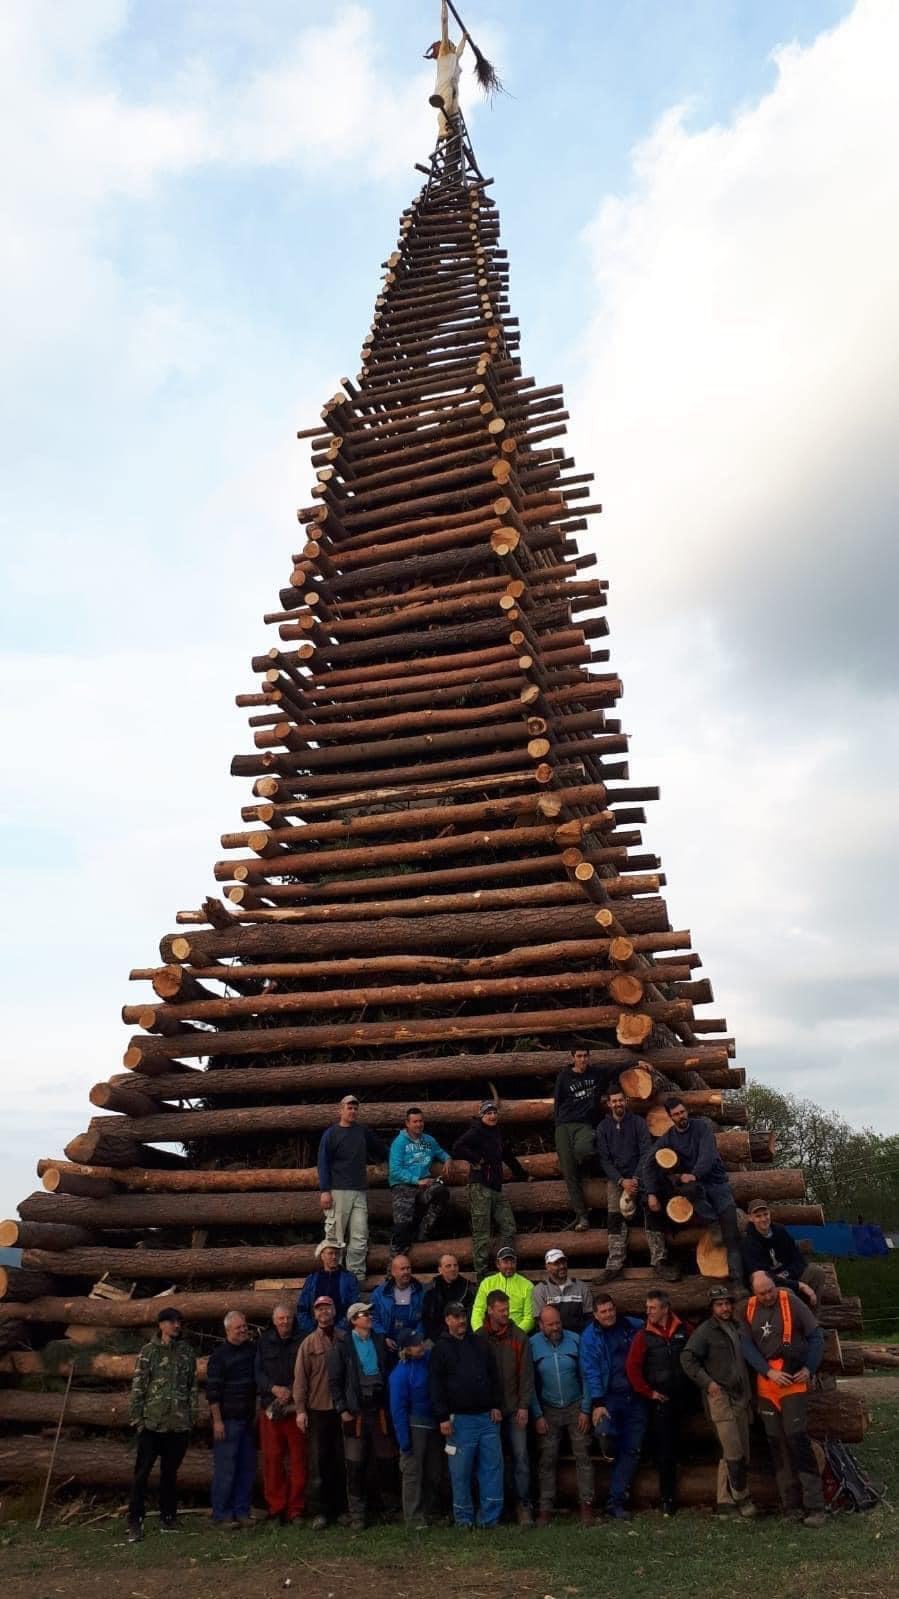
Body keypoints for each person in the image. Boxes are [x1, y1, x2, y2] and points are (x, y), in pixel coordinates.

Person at [740, 1271, 826, 1526]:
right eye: (762, 1292)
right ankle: (790, 1507)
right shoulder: (748, 1308)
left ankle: (815, 1506)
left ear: (774, 1285)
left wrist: (809, 1368)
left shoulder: (792, 1301)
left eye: (770, 1290)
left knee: (797, 1440)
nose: (767, 1296)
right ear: (754, 1292)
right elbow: (745, 1345)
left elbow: (816, 1337)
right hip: (767, 1384)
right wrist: (768, 1372)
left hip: (793, 1382)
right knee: (776, 1445)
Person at [641, 1096, 743, 1282]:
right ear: (671, 1117)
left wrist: (694, 1174)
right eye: (676, 1115)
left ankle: (739, 1283)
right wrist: (651, 1193)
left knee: (731, 1234)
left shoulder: (701, 1127)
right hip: (695, 1187)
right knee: (687, 1189)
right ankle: (713, 1223)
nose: (681, 1116)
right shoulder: (668, 1138)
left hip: (716, 1183)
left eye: (682, 1112)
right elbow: (648, 1163)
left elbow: (708, 1155)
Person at [681, 1285, 757, 1518]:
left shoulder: (737, 1327)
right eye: (719, 1304)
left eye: (727, 1303)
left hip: (741, 1396)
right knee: (733, 1450)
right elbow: (687, 1358)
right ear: (712, 1308)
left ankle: (724, 1502)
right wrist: (708, 1383)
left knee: (738, 1449)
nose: (725, 1308)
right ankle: (743, 1498)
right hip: (720, 1398)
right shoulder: (706, 1331)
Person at [429, 1300, 504, 1529]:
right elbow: (436, 1386)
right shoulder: (440, 1349)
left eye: (463, 1316)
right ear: (447, 1320)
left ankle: (490, 1519)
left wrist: (496, 1405)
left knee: (492, 1469)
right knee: (460, 1473)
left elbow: (494, 1376)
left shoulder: (480, 1344)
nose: (461, 1321)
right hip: (458, 1421)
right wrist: (442, 1417)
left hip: (487, 1418)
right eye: (456, 1316)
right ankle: (463, 1520)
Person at [126, 1306, 197, 1542]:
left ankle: (168, 1516)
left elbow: (192, 1387)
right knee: (141, 1474)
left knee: (170, 1474)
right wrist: (138, 1420)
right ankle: (135, 1520)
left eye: (179, 1322)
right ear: (161, 1325)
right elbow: (138, 1387)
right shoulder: (149, 1352)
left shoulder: (187, 1353)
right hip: (152, 1423)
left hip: (177, 1425)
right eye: (172, 1322)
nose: (177, 1325)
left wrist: (191, 1417)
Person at [327, 1301, 396, 1530]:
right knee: (355, 1464)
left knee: (386, 1461)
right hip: (356, 1411)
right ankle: (358, 1513)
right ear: (354, 1320)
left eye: (369, 1314)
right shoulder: (343, 1345)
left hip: (379, 1409)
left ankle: (390, 1509)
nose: (369, 1317)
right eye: (364, 1314)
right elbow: (335, 1381)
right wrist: (342, 1408)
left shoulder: (379, 1341)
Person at [625, 1290, 693, 1516]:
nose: (648, 1312)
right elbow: (632, 1368)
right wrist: (649, 1393)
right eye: (647, 1308)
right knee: (664, 1450)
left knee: (684, 1445)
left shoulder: (684, 1329)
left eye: (652, 1308)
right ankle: (667, 1499)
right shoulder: (643, 1336)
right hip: (660, 1401)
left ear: (665, 1308)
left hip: (683, 1397)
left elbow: (696, 1355)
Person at [579, 1293, 646, 1520]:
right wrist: (597, 1402)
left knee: (632, 1449)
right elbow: (591, 1370)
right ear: (596, 1315)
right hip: (608, 1399)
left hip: (634, 1397)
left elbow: (654, 1326)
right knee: (606, 1433)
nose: (609, 1315)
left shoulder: (631, 1326)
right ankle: (610, 1455)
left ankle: (615, 1502)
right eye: (603, 1312)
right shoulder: (590, 1336)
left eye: (611, 1310)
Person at [595, 1085, 670, 1280]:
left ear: (625, 1102)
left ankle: (659, 1260)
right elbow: (604, 1159)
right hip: (617, 1179)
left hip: (641, 1175)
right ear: (609, 1104)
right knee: (614, 1215)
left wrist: (636, 1179)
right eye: (614, 1101)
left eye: (621, 1100)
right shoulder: (603, 1128)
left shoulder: (637, 1123)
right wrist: (621, 1181)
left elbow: (646, 1152)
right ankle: (614, 1263)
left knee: (651, 1208)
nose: (618, 1103)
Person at [529, 1305, 593, 1526]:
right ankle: (545, 1508)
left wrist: (586, 1409)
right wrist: (537, 1415)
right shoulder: (533, 1344)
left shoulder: (576, 1340)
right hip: (548, 1408)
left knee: (583, 1455)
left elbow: (587, 1375)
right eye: (550, 1324)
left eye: (557, 1322)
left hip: (576, 1406)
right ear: (541, 1325)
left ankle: (586, 1506)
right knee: (547, 1459)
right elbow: (530, 1383)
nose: (555, 1327)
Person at [476, 1289, 535, 1526]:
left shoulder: (519, 1337)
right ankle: (493, 1506)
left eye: (507, 1309)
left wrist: (523, 1406)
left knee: (521, 1457)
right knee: (492, 1461)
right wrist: (489, 1405)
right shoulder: (479, 1338)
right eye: (501, 1310)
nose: (506, 1314)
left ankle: (523, 1504)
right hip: (491, 1412)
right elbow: (478, 1376)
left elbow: (526, 1375)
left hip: (514, 1408)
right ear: (490, 1310)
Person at [452, 1101, 529, 1279]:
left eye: (494, 1112)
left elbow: (507, 1155)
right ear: (482, 1115)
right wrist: (476, 1158)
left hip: (496, 1188)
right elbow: (458, 1147)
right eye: (488, 1113)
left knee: (508, 1226)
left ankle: (506, 1264)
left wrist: (523, 1175)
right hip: (480, 1187)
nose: (492, 1116)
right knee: (482, 1232)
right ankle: (481, 1273)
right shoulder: (476, 1131)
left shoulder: (497, 1133)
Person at [317, 1094, 389, 1282]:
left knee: (360, 1235)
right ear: (340, 1110)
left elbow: (381, 1150)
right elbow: (323, 1163)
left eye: (355, 1108)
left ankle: (355, 1276)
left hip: (359, 1191)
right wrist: (325, 1190)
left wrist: (386, 1161)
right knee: (336, 1237)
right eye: (349, 1108)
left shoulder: (362, 1132)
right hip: (337, 1191)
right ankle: (335, 1275)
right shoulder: (331, 1134)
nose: (353, 1111)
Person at [294, 1296, 346, 1530]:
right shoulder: (308, 1344)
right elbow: (300, 1381)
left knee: (341, 1462)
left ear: (334, 1311)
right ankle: (320, 1512)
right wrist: (300, 1411)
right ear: (314, 1315)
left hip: (342, 1410)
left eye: (327, 1308)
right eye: (319, 1309)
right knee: (318, 1464)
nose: (324, 1312)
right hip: (317, 1411)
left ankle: (341, 1509)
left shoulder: (345, 1339)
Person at [254, 1303, 306, 1525]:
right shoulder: (264, 1342)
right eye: (281, 1319)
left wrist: (294, 1391)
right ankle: (276, 1508)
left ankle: (296, 1510)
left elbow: (308, 1369)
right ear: (274, 1321)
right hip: (271, 1409)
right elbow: (257, 1372)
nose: (285, 1322)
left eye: (288, 1318)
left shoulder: (302, 1339)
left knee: (299, 1462)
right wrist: (274, 1389)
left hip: (296, 1409)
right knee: (272, 1461)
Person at [206, 1309, 258, 1528]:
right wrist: (217, 1421)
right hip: (227, 1421)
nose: (243, 1330)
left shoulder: (252, 1350)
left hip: (247, 1419)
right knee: (226, 1470)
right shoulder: (219, 1356)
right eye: (238, 1328)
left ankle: (242, 1511)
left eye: (244, 1326)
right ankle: (221, 1514)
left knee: (246, 1468)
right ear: (228, 1330)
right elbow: (213, 1392)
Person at [553, 1047, 615, 1229]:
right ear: (572, 1057)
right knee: (569, 1172)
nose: (582, 1059)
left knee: (584, 1150)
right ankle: (582, 1216)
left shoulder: (596, 1074)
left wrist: (637, 1063)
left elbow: (616, 1069)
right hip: (563, 1126)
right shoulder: (564, 1076)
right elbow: (557, 1101)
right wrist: (558, 1125)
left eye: (585, 1056)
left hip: (585, 1124)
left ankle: (586, 1166)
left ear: (589, 1057)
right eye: (578, 1056)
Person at [388, 1328, 443, 1529]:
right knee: (413, 1473)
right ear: (406, 1349)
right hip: (414, 1426)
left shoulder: (429, 1361)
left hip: (433, 1423)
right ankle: (413, 1517)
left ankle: (430, 1511)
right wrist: (404, 1440)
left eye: (420, 1341)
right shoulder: (399, 1374)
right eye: (415, 1343)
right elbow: (398, 1409)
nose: (420, 1345)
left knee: (434, 1472)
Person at [388, 1106, 452, 1256]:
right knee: (402, 1228)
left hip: (424, 1186)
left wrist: (448, 1159)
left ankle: (422, 1231)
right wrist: (415, 1180)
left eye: (421, 1121)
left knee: (441, 1192)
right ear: (407, 1123)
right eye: (415, 1121)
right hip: (403, 1186)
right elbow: (395, 1170)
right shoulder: (399, 1143)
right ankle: (395, 1263)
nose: (419, 1124)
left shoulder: (429, 1140)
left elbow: (440, 1152)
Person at [741, 1198, 827, 1307]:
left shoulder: (780, 1231)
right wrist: (798, 1285)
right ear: (751, 1218)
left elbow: (798, 1259)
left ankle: (813, 1320)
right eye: (758, 1216)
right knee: (785, 1292)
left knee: (816, 1272)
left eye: (765, 1214)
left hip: (790, 1276)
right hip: (770, 1286)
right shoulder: (748, 1243)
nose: (763, 1219)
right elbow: (761, 1278)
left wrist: (788, 1274)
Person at [424, 0, 469, 138]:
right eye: (451, 43)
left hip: (455, 89)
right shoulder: (444, 53)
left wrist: (464, 38)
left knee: (454, 113)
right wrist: (444, 5)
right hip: (445, 85)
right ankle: (441, 130)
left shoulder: (454, 58)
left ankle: (452, 141)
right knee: (446, 105)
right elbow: (444, 23)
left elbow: (460, 51)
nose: (453, 45)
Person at [295, 1241, 358, 1335]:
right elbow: (301, 1308)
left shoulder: (349, 1279)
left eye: (337, 1253)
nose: (334, 1257)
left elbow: (354, 1307)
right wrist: (312, 1330)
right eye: (330, 1253)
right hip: (314, 1332)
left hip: (342, 1333)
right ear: (322, 1256)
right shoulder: (312, 1279)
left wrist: (338, 1330)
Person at [471, 1245, 535, 1334]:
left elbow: (529, 1319)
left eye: (512, 1262)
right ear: (498, 1264)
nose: (509, 1266)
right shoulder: (487, 1283)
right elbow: (478, 1311)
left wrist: (514, 1334)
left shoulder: (527, 1285)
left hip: (515, 1335)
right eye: (505, 1262)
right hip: (490, 1334)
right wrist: (480, 1332)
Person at [370, 1254, 427, 1354]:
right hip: (388, 1347)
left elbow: (424, 1318)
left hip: (413, 1346)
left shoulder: (420, 1291)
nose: (406, 1272)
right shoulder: (379, 1294)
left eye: (408, 1268)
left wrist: (416, 1339)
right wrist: (384, 1338)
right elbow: (374, 1319)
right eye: (402, 1269)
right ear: (393, 1272)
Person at [532, 1247, 593, 1332]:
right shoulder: (540, 1290)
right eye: (556, 1263)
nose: (562, 1266)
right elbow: (540, 1323)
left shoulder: (581, 1286)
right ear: (547, 1267)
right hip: (552, 1339)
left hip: (579, 1338)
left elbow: (589, 1318)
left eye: (563, 1262)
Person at [422, 1251, 477, 1343]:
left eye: (455, 1265)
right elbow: (427, 1318)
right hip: (438, 1337)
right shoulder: (431, 1289)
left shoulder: (468, 1288)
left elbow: (472, 1316)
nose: (453, 1269)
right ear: (440, 1269)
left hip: (463, 1336)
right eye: (448, 1266)